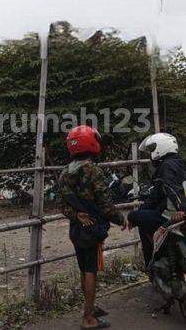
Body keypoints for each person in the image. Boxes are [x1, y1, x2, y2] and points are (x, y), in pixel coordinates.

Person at [57, 125, 127, 330]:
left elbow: (61, 204)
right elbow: (106, 205)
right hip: (93, 228)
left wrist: (75, 215)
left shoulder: (64, 173)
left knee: (83, 268)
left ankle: (90, 307)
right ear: (92, 143)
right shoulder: (94, 171)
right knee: (91, 271)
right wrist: (121, 220)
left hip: (76, 228)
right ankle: (88, 318)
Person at [127, 132, 186, 267]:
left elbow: (171, 187)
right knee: (142, 218)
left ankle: (152, 261)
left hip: (170, 216)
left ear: (160, 148)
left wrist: (181, 209)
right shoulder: (178, 164)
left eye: (152, 149)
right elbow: (155, 197)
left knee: (133, 215)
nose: (150, 154)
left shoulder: (166, 167)